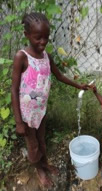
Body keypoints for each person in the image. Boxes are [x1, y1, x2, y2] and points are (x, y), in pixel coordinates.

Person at [11, 12, 90, 188]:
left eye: (46, 37)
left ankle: (44, 163)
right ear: (27, 35)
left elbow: (60, 76)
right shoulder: (22, 57)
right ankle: (39, 169)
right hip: (27, 114)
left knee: (42, 140)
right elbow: (14, 89)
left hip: (41, 110)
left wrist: (78, 86)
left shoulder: (46, 56)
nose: (43, 42)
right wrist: (19, 122)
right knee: (33, 146)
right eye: (38, 38)